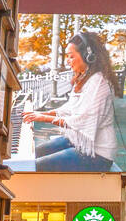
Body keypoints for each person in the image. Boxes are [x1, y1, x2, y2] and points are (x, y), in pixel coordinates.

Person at [18, 31, 119, 172]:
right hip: (77, 143)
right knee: (31, 156)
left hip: (97, 155)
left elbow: (83, 120)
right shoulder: (85, 78)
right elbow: (68, 109)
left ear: (88, 56)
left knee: (34, 166)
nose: (68, 61)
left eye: (71, 57)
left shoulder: (99, 82)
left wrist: (43, 118)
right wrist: (40, 113)